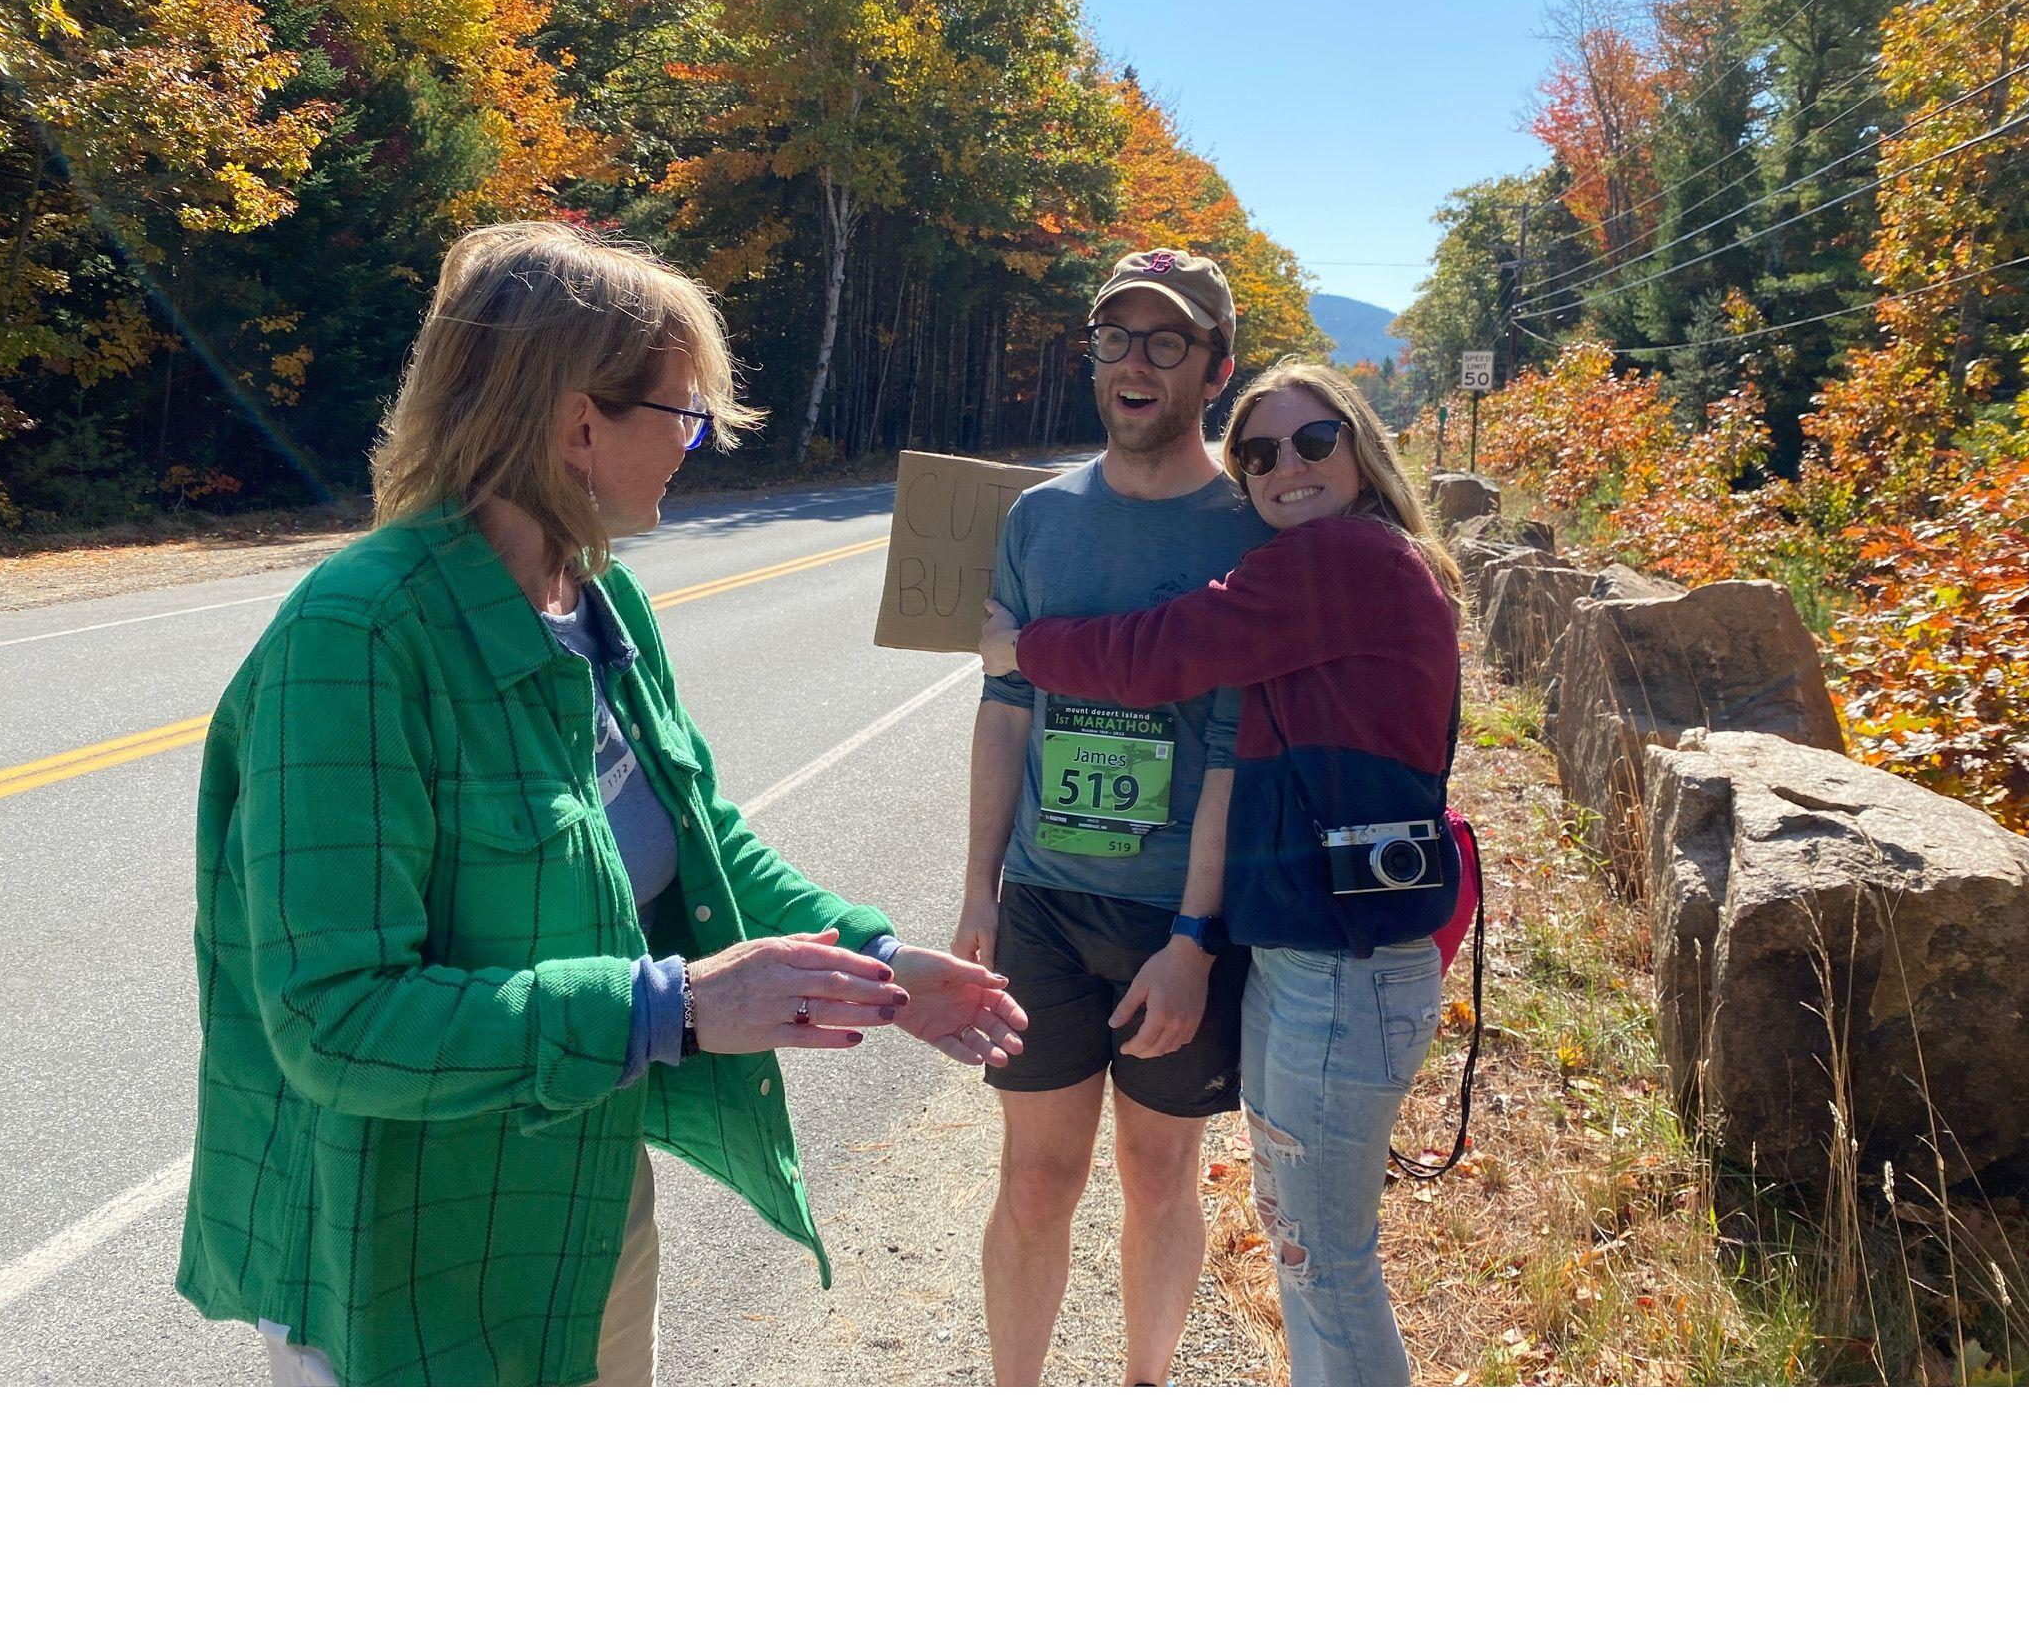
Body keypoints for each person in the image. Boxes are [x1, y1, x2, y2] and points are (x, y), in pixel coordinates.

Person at [176, 219, 1026, 1387]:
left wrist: (873, 963)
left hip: (578, 1197)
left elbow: (703, 836)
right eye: (683, 411)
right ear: (579, 423)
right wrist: (673, 1005)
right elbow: (336, 1017)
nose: (696, 441)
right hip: (401, 1247)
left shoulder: (597, 600)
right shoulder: (359, 635)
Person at [981, 360, 1463, 1386]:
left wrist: (1025, 649)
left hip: (1341, 966)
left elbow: (1166, 649)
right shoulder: (1353, 560)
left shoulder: (1337, 559)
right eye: (1257, 454)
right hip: (1319, 946)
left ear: (1363, 447)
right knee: (1308, 1247)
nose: (1285, 467)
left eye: (1313, 441)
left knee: (1322, 1260)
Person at [952, 247, 1270, 1386]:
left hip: (1174, 914)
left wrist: (1193, 938)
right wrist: (980, 888)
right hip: (1044, 899)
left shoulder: (1248, 534)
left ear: (1215, 370)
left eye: (1167, 341)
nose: (1135, 363)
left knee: (1157, 1172)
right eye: (1115, 338)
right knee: (1036, 1178)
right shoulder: (1038, 518)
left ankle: (1145, 1389)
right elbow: (1004, 709)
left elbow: (1234, 753)